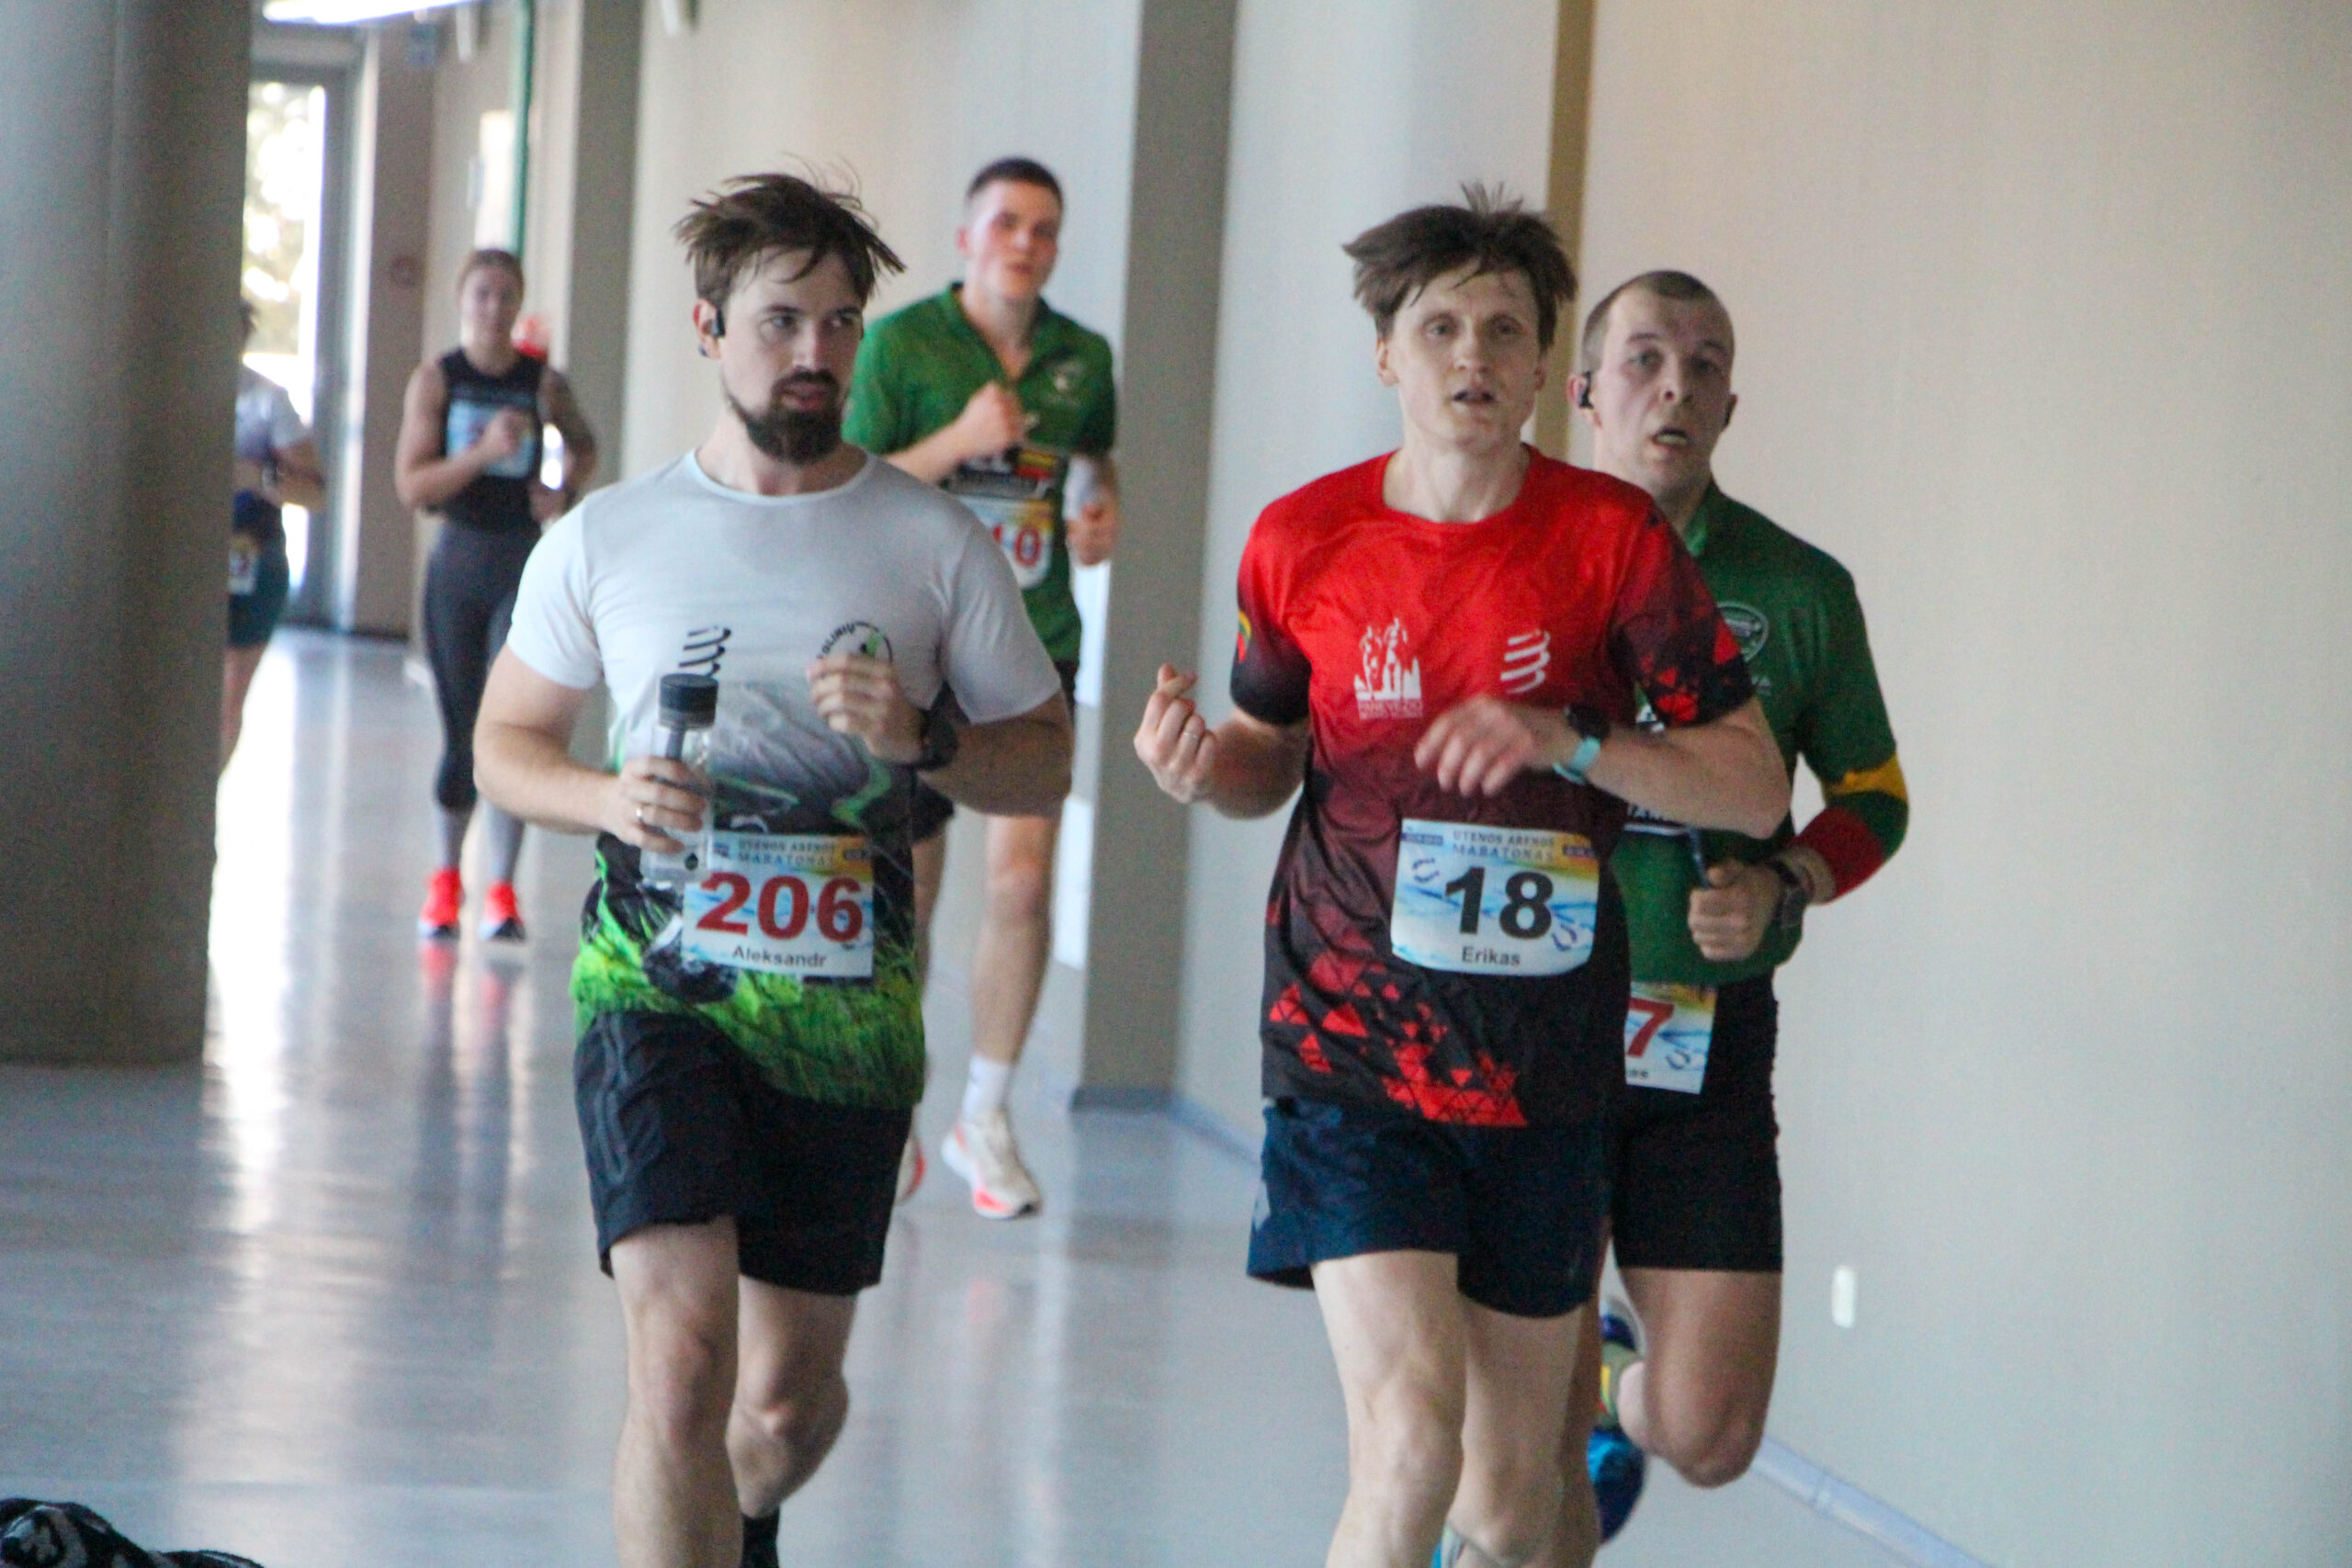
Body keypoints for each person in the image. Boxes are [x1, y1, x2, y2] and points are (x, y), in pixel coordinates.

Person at [1135, 191, 1788, 1568]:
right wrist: (1201, 769)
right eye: (1440, 327)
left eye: (1503, 329)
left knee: (1508, 1506)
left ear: (1546, 362)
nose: (1472, 355)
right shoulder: (1302, 539)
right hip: (1349, 1049)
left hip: (1543, 1066)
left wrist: (1574, 740)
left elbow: (1748, 784)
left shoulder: (1613, 540)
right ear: (1388, 353)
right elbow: (1266, 756)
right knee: (1409, 1443)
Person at [471, 172, 1072, 1568]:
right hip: (657, 994)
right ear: (709, 327)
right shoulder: (610, 536)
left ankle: (745, 1516)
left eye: (840, 323)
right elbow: (506, 742)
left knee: (782, 1406)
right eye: (781, 320)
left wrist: (924, 739)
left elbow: (1043, 760)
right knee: (681, 1360)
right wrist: (604, 795)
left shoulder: (931, 543)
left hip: (844, 1019)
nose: (815, 351)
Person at [1562, 271, 1907, 1543]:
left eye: (1705, 366)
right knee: (1508, 1449)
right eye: (1645, 359)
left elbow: (1874, 796)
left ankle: (1608, 1377)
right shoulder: (1522, 554)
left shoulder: (1799, 590)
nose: (1676, 386)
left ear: (1730, 406)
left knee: (1708, 1429)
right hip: (1529, 1025)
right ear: (1585, 391)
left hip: (1701, 1040)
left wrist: (1783, 881)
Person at [844, 156, 1120, 1218]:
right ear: (967, 238)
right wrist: (960, 443)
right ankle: (892, 1107)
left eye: (1044, 229)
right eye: (1006, 224)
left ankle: (986, 1115)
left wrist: (1097, 512)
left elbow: (1092, 465)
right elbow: (848, 489)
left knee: (1022, 884)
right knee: (911, 890)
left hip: (1033, 645)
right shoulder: (900, 346)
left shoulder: (1082, 357)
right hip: (920, 645)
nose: (1025, 244)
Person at [394, 247, 596, 942]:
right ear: (462, 299)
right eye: (482, 293)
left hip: (521, 563)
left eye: (507, 295)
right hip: (459, 560)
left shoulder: (542, 382)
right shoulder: (438, 379)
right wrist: (481, 455)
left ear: (519, 303)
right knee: (461, 731)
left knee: (511, 726)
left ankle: (504, 891)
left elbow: (584, 446)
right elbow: (412, 485)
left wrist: (560, 490)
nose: (494, 307)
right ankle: (446, 881)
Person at [224, 298, 326, 766]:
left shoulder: (267, 401)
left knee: (228, 693)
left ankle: (207, 798)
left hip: (250, 556)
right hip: (175, 562)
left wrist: (258, 477)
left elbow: (315, 492)